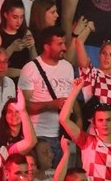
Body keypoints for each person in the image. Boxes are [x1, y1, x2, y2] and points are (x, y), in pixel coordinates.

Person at [19, 26, 76, 166]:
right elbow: (24, 107)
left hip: (64, 135)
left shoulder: (67, 67)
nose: (64, 47)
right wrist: (51, 104)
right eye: (59, 44)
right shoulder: (31, 69)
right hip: (39, 135)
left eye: (64, 43)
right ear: (47, 46)